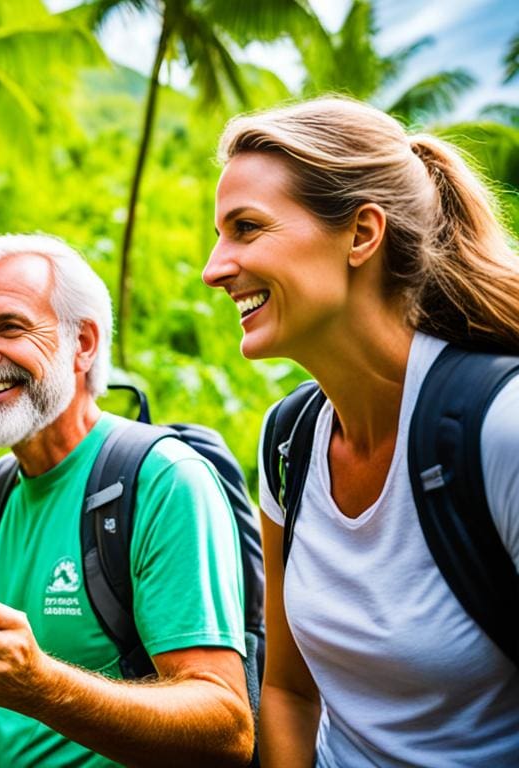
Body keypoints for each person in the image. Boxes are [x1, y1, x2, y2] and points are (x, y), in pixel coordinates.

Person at [0, 233, 254, 767]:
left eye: (9, 327)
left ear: (82, 343)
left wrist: (38, 683)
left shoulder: (163, 480)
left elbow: (225, 730)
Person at [202, 96, 519, 767]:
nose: (214, 267)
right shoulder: (289, 440)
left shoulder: (501, 428)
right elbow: (288, 691)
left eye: (247, 228)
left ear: (362, 234)